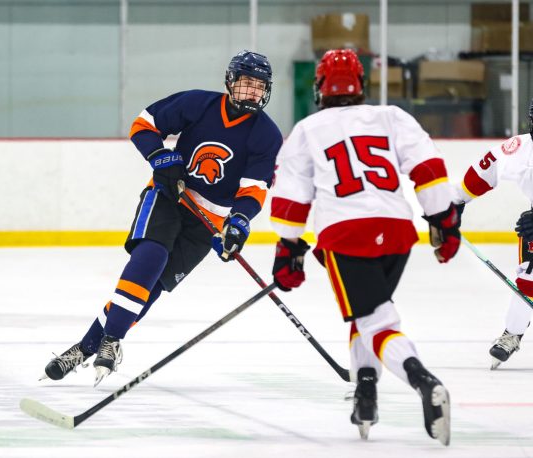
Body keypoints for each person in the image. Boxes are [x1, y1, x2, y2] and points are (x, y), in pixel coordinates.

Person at [41, 50, 282, 386]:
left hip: (209, 219)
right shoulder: (199, 104)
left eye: (259, 86)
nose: (252, 92)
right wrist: (159, 157)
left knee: (152, 287)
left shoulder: (267, 135)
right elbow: (144, 124)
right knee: (150, 256)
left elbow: (253, 189)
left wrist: (238, 222)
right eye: (246, 83)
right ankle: (111, 341)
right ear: (230, 81)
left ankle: (88, 345)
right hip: (170, 195)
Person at [268, 49, 461, 445]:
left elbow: (291, 197)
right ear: (362, 85)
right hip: (397, 233)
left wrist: (288, 248)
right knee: (368, 313)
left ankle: (425, 383)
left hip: (346, 237)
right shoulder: (391, 116)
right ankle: (366, 394)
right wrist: (443, 219)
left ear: (320, 87)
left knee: (377, 322)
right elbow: (428, 168)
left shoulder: (307, 129)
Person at [453, 98, 533, 370]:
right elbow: (485, 168)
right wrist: (457, 200)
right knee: (530, 273)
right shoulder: (522, 148)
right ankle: (513, 332)